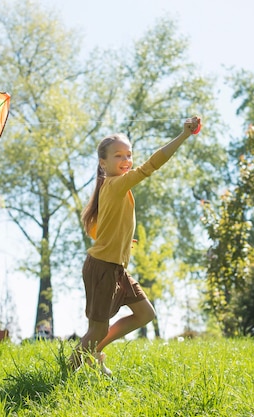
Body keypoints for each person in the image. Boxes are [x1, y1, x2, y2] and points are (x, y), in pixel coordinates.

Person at [70, 116, 202, 376]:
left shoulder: (112, 188)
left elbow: (101, 227)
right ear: (103, 162)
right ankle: (64, 377)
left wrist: (122, 240)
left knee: (144, 314)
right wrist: (183, 136)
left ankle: (93, 352)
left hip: (116, 268)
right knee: (96, 329)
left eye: (128, 155)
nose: (126, 161)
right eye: (118, 156)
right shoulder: (117, 184)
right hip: (102, 268)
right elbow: (151, 165)